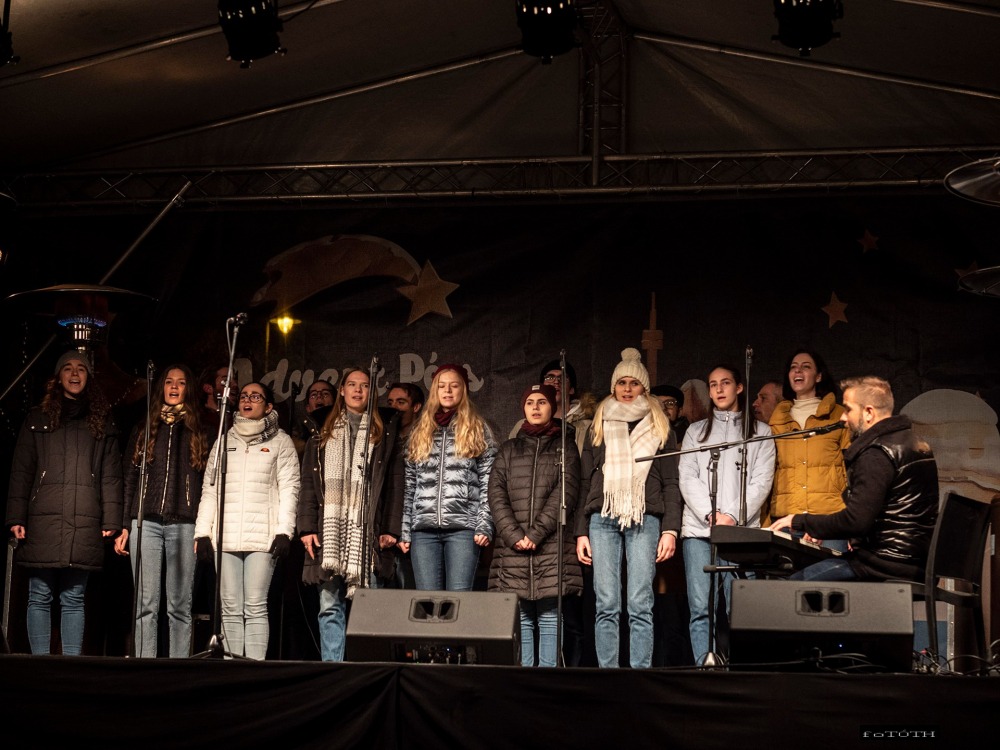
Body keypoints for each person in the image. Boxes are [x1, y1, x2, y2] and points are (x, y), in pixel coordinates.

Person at [5, 351, 123, 655]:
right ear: (58, 377)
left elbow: (111, 475)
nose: (74, 373)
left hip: (84, 518)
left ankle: (71, 665)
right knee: (39, 595)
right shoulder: (38, 418)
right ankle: (41, 665)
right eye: (68, 368)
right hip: (43, 519)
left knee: (73, 597)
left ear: (88, 377)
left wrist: (111, 519)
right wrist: (16, 516)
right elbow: (22, 470)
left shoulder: (102, 422)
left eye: (81, 368)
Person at [770, 376, 939, 582]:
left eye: (848, 409)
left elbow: (856, 521)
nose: (842, 417)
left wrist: (799, 521)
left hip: (883, 564)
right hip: (912, 562)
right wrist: (826, 528)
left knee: (791, 587)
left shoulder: (877, 453)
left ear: (868, 412)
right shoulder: (916, 444)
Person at [575, 348, 680, 669]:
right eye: (621, 382)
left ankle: (639, 675)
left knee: (640, 602)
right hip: (603, 517)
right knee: (606, 602)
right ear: (613, 387)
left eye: (634, 383)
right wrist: (581, 531)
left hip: (645, 517)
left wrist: (670, 529)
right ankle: (608, 674)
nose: (627, 388)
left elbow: (671, 483)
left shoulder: (661, 426)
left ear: (644, 388)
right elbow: (584, 482)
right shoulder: (599, 424)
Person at [297, 367, 397, 661]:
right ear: (341, 390)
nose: (357, 390)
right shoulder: (322, 431)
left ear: (372, 392)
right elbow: (308, 485)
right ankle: (334, 668)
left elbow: (394, 485)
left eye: (364, 385)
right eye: (352, 384)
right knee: (329, 606)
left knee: (369, 607)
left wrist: (389, 528)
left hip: (367, 532)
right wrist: (306, 528)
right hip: (328, 533)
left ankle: (368, 670)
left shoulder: (383, 433)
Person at [194, 382, 299, 659]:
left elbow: (290, 489)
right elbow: (210, 489)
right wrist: (202, 532)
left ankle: (254, 669)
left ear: (269, 406)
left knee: (254, 606)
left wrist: (284, 531)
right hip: (226, 536)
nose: (247, 400)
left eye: (255, 396)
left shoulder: (281, 442)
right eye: (244, 396)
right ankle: (232, 668)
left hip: (263, 537)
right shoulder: (224, 441)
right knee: (229, 608)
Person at [679, 364, 774, 665]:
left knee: (740, 607)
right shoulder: (695, 431)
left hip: (740, 532)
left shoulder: (760, 432)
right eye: (713, 384)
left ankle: (741, 668)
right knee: (700, 607)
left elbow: (761, 481)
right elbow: (687, 477)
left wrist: (730, 517)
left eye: (725, 383)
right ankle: (703, 666)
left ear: (739, 387)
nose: (719, 389)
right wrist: (711, 515)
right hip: (699, 532)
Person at [488, 384, 581, 667]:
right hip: (513, 547)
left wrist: (536, 533)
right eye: (530, 402)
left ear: (553, 407)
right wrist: (514, 535)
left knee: (550, 615)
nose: (536, 407)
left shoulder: (565, 447)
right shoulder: (508, 449)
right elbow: (496, 494)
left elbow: (566, 492)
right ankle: (526, 675)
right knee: (522, 616)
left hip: (550, 545)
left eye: (542, 402)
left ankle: (548, 678)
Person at [118, 364, 207, 657]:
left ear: (188, 389)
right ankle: (145, 666)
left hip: (185, 524)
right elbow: (130, 478)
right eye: (169, 381)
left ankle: (178, 668)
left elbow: (208, 483)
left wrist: (203, 528)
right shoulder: (145, 427)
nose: (174, 386)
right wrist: (126, 524)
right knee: (146, 604)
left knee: (179, 606)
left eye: (181, 382)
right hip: (146, 523)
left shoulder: (198, 429)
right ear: (162, 387)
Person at [399, 363, 497, 592]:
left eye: (454, 385)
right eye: (442, 386)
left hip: (463, 528)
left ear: (464, 389)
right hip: (423, 530)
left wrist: (484, 525)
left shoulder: (477, 428)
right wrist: (405, 529)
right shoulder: (420, 430)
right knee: (427, 599)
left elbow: (488, 481)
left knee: (458, 599)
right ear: (435, 390)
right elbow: (409, 484)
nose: (448, 391)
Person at [768, 350, 850, 550]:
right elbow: (768, 472)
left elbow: (852, 470)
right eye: (793, 367)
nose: (798, 371)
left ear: (819, 376)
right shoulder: (776, 421)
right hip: (785, 521)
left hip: (830, 520)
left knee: (827, 571)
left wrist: (854, 528)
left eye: (806, 367)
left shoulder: (839, 416)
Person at [377, 382, 425, 588]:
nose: (394, 407)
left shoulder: (425, 439)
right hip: (386, 528)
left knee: (412, 593)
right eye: (390, 402)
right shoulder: (382, 440)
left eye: (401, 402)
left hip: (414, 531)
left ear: (416, 407)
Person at [510, 360, 596, 456]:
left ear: (571, 389)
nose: (556, 381)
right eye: (550, 377)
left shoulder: (588, 427)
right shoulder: (521, 427)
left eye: (563, 377)